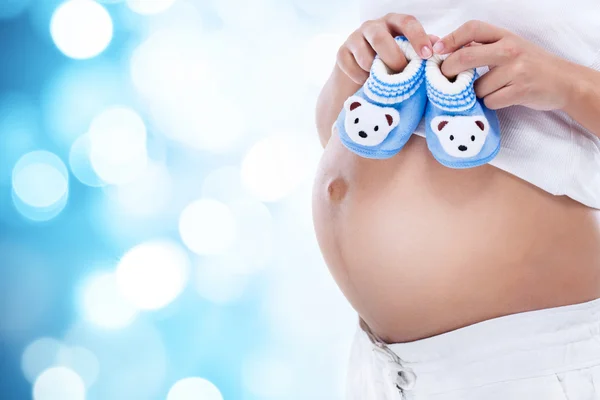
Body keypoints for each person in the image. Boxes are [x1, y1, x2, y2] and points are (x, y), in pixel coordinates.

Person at [311, 0, 600, 398]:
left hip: (525, 364)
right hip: (378, 368)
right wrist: (352, 70)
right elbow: (335, 135)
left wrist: (569, 84)